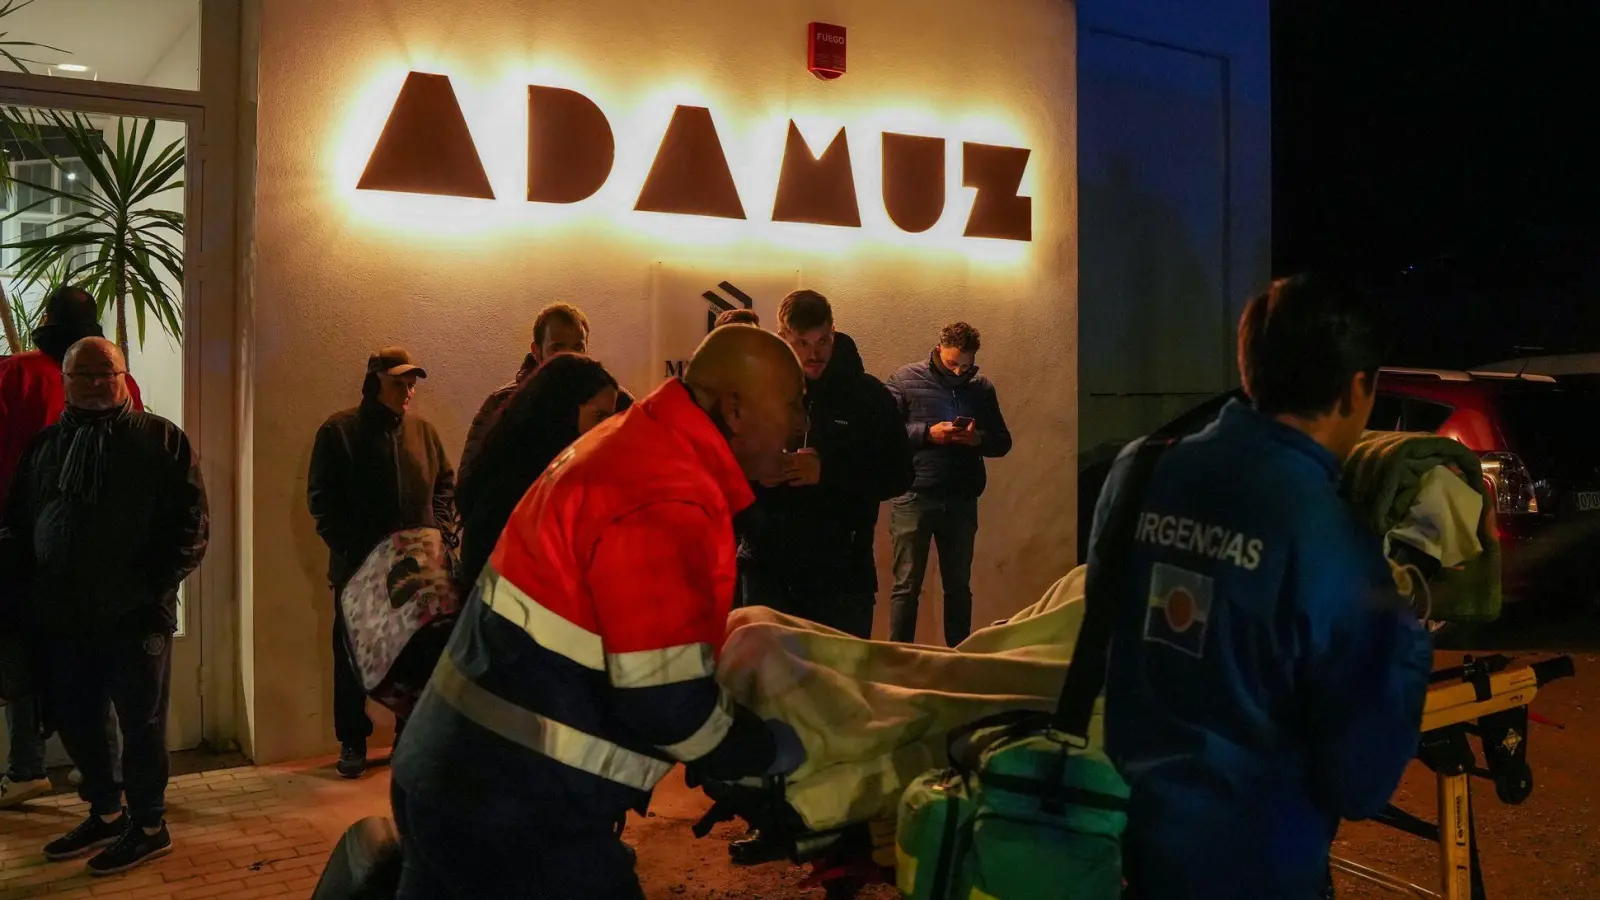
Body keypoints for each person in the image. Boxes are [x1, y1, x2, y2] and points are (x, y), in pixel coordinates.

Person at [391, 325, 808, 899]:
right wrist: (767, 752)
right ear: (735, 409)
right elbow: (665, 700)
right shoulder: (667, 492)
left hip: (461, 776)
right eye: (791, 404)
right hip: (518, 811)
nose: (797, 424)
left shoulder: (637, 445)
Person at [1095, 275, 1431, 899]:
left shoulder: (1139, 468)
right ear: (1360, 387)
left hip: (1129, 850)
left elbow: (1111, 625)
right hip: (1258, 869)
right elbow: (1361, 783)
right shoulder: (1330, 541)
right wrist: (1405, 640)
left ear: (1249, 371)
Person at [1, 337, 207, 875]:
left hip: (137, 617)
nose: (94, 382)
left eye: (104, 372)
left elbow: (191, 527)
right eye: (82, 374)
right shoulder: (45, 446)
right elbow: (20, 523)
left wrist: (151, 592)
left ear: (123, 377)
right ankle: (108, 812)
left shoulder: (160, 440)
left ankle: (149, 826)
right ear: (64, 380)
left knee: (141, 725)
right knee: (78, 720)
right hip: (64, 618)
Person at [0, 286, 138, 811]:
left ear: (47, 320)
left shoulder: (18, 374)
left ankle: (26, 767)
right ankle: (101, 768)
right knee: (96, 659)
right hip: (102, 550)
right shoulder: (123, 380)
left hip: (33, 546)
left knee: (25, 655)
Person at [307, 347, 457, 779]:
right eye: (399, 382)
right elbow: (322, 501)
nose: (408, 390)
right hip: (359, 574)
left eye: (411, 383)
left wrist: (440, 532)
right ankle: (352, 740)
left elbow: (445, 485)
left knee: (416, 653)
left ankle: (408, 734)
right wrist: (357, 554)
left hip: (418, 575)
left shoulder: (424, 433)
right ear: (374, 382)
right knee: (354, 659)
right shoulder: (339, 432)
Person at [737, 290, 911, 637]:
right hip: (767, 572)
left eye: (822, 341)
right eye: (801, 343)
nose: (813, 354)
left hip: (841, 579)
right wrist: (755, 472)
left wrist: (828, 470)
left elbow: (899, 475)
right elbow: (720, 464)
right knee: (766, 685)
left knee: (840, 685)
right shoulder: (754, 392)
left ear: (834, 331)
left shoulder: (868, 397)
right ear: (782, 337)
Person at [885, 322, 1012, 645]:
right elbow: (884, 433)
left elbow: (1002, 440)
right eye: (954, 363)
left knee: (958, 586)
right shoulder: (905, 379)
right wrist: (929, 433)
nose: (959, 371)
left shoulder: (981, 387)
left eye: (966, 365)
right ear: (940, 349)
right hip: (914, 495)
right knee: (906, 585)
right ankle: (899, 658)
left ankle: (958, 657)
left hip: (961, 498)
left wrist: (976, 439)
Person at [456, 353, 621, 593]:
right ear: (562, 411)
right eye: (599, 417)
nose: (607, 430)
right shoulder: (516, 485)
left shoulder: (554, 471)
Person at [459, 303, 591, 487]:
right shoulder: (503, 403)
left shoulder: (611, 401)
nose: (570, 356)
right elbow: (471, 482)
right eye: (558, 348)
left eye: (578, 347)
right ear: (537, 351)